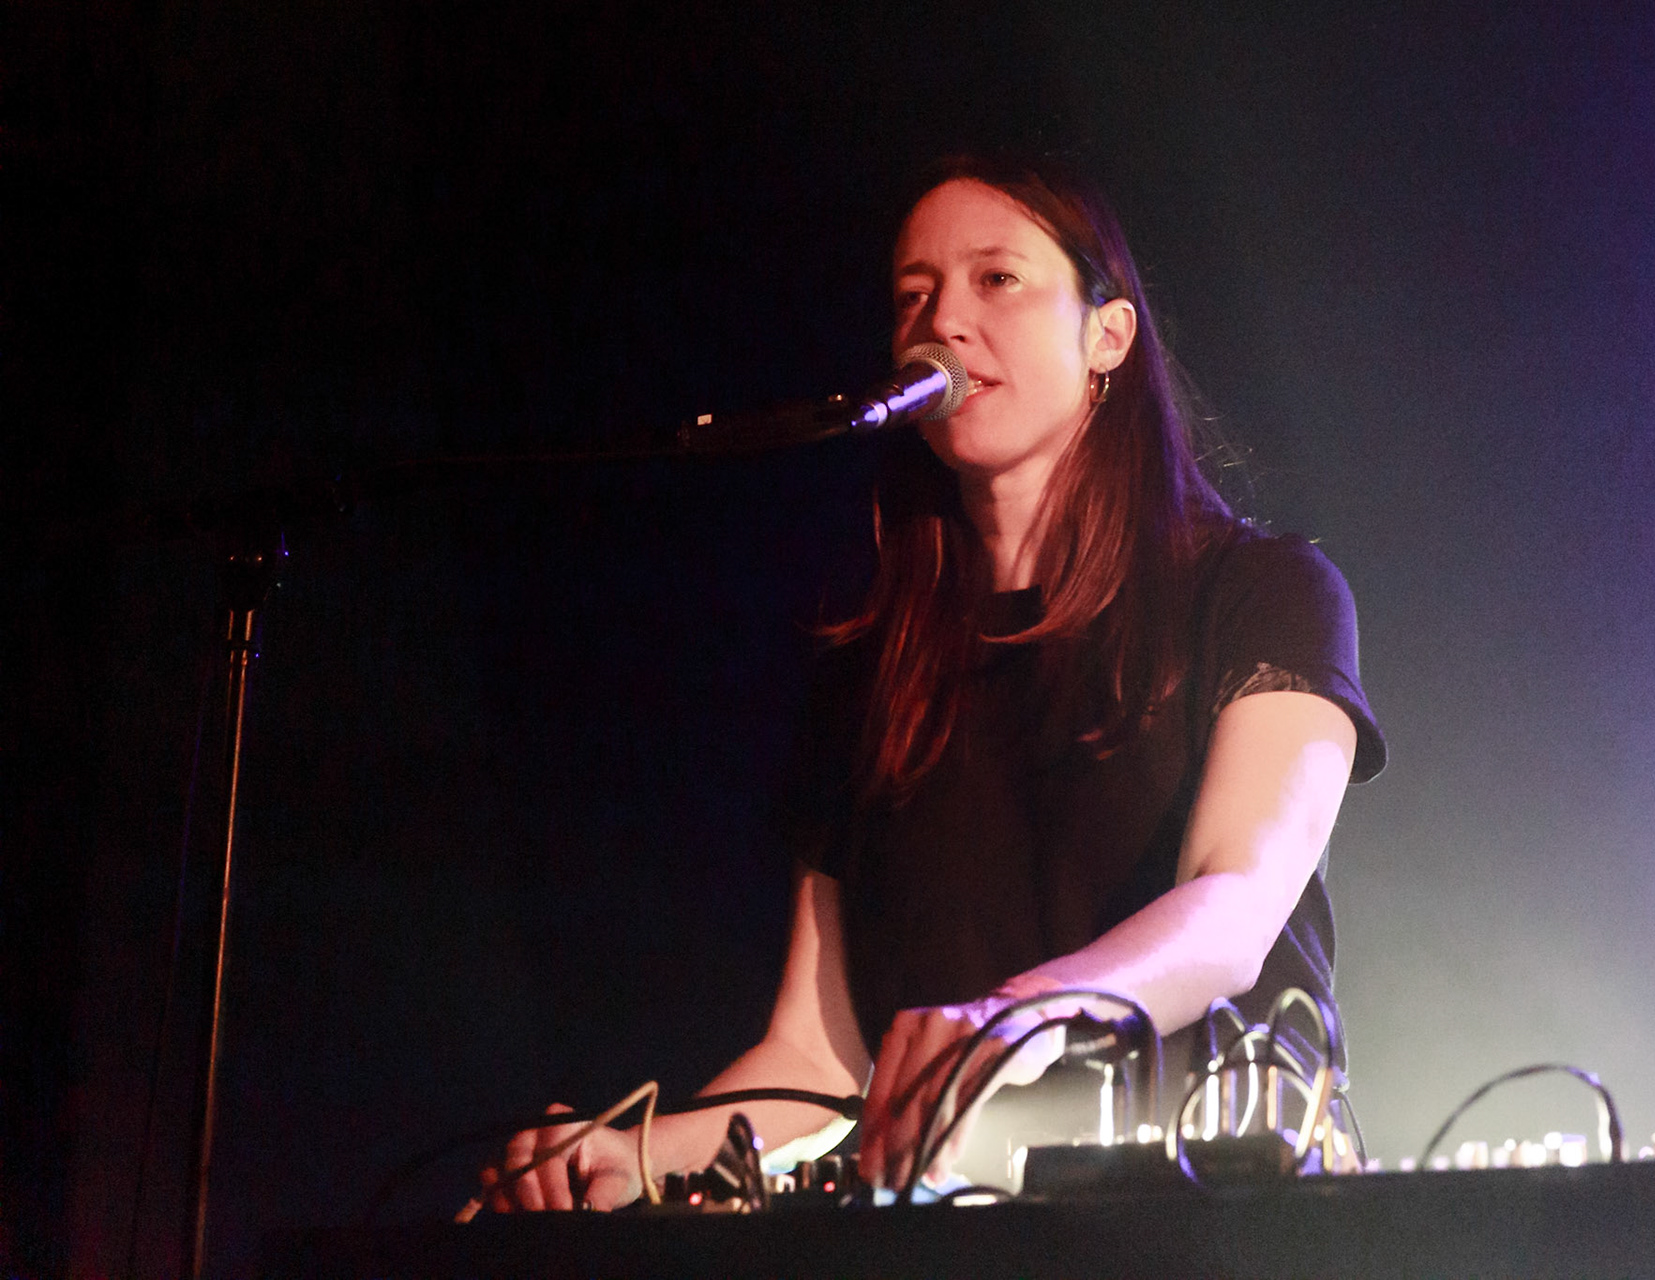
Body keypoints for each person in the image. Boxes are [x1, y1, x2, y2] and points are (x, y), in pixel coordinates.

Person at [481, 156, 1385, 1212]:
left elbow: (1234, 907)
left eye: (996, 279)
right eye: (914, 295)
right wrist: (631, 1155)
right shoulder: (870, 670)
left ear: (1108, 336)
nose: (942, 321)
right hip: (964, 1233)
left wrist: (1018, 1014)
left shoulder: (1265, 591)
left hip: (1223, 1220)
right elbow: (816, 1058)